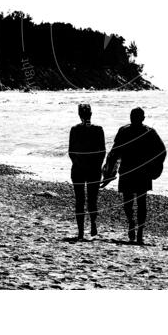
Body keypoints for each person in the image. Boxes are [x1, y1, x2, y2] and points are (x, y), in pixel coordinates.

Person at [102, 107, 166, 244]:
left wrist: (108, 172)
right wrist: (155, 168)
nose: (134, 119)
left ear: (142, 118)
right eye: (133, 116)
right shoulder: (147, 132)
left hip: (132, 172)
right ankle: (136, 228)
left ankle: (136, 227)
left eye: (136, 117)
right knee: (138, 203)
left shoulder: (133, 131)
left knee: (130, 202)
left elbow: (114, 152)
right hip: (139, 172)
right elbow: (162, 151)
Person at [68, 103, 106, 240]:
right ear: (91, 114)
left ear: (79, 115)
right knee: (92, 200)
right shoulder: (98, 129)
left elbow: (71, 152)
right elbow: (102, 152)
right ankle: (93, 224)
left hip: (78, 168)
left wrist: (78, 163)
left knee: (79, 200)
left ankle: (80, 232)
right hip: (93, 169)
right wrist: (98, 166)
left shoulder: (74, 129)